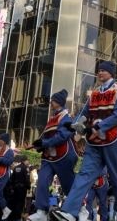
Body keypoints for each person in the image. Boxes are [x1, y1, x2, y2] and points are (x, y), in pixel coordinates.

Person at [53, 61, 117, 221]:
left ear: (111, 73)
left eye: (103, 70)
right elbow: (84, 113)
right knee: (84, 174)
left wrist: (99, 126)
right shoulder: (94, 94)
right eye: (99, 70)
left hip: (113, 139)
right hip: (94, 142)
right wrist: (75, 125)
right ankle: (69, 211)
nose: (100, 73)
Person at [30, 88, 78, 221]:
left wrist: (44, 143)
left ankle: (81, 209)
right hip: (49, 157)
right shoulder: (53, 118)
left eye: (53, 100)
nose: (50, 102)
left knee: (69, 187)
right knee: (42, 181)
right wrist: (38, 145)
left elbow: (63, 136)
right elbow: (46, 137)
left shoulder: (66, 117)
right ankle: (41, 211)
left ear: (59, 102)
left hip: (64, 156)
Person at [6, 155, 31, 220]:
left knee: (14, 203)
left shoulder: (16, 167)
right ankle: (17, 218)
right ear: (25, 161)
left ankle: (11, 217)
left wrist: (12, 188)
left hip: (15, 188)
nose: (28, 162)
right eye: (27, 160)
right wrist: (29, 187)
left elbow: (12, 179)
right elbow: (27, 179)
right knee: (20, 204)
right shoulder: (26, 168)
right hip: (22, 189)